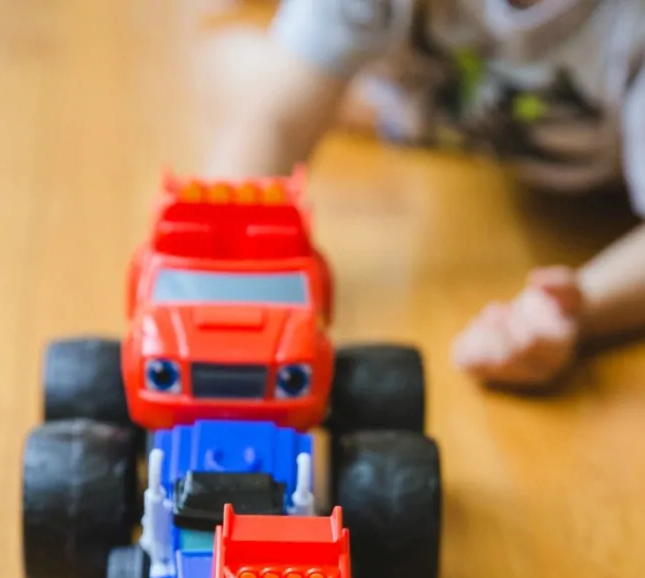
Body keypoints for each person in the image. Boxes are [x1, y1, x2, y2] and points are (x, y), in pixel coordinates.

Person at [205, 0, 645, 390]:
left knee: (247, 66)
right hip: (436, 120)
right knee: (233, 65)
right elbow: (273, 122)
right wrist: (225, 264)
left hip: (595, 184)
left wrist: (580, 305)